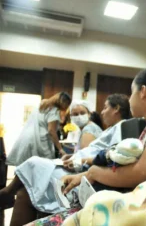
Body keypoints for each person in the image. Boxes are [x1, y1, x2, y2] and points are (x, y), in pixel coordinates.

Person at [19, 65, 146, 226]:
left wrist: (94, 173)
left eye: (131, 92)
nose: (129, 99)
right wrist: (87, 174)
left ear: (142, 91)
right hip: (129, 200)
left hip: (143, 206)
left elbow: (142, 172)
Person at [0, 94, 130, 224]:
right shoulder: (111, 129)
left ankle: (8, 191)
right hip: (78, 165)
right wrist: (75, 157)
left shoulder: (122, 127)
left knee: (34, 164)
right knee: (26, 188)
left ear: (116, 108)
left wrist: (80, 161)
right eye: (74, 114)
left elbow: (109, 155)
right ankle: (9, 192)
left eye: (105, 107)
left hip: (81, 171)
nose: (102, 112)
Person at [6, 92, 72, 166]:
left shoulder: (43, 104)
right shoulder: (54, 110)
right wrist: (60, 149)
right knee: (43, 166)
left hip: (27, 138)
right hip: (38, 141)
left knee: (24, 169)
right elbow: (51, 131)